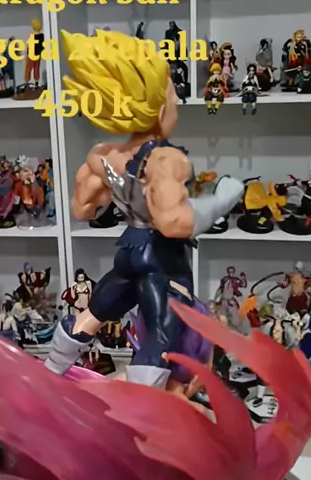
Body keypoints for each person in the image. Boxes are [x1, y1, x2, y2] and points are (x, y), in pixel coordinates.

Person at [45, 30, 244, 389]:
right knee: (160, 338)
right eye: (173, 95)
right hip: (162, 262)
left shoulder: (104, 155)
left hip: (128, 252)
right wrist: (224, 198)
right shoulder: (167, 159)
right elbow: (175, 223)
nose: (176, 104)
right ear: (158, 104)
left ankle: (48, 373)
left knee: (93, 313)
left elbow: (82, 209)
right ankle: (143, 409)